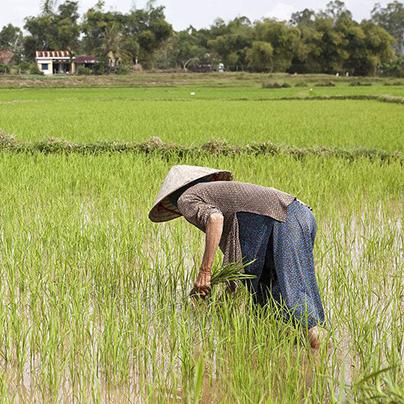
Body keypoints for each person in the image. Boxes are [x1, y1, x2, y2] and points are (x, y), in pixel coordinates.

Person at [149, 165, 325, 349]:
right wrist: (224, 300)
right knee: (267, 300)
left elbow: (215, 219)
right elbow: (237, 256)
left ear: (171, 198)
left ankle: (319, 355)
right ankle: (287, 360)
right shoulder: (214, 193)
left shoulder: (186, 198)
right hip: (299, 216)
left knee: (294, 302)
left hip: (284, 221)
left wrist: (205, 272)